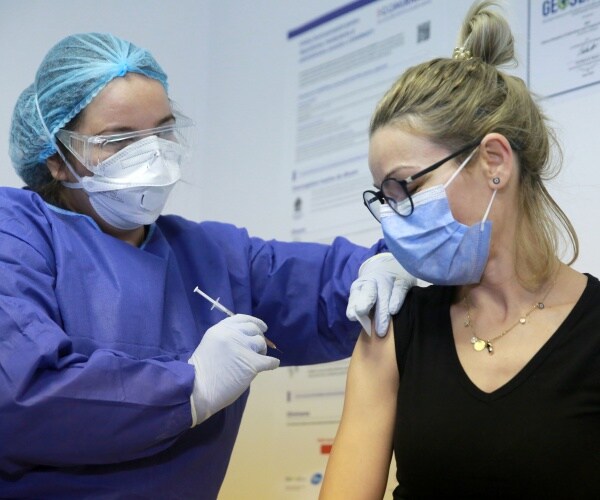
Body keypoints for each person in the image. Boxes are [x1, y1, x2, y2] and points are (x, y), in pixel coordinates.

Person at [0, 33, 417, 498]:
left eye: (162, 130)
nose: (152, 153)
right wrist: (190, 390)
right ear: (57, 159)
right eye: (119, 139)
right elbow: (21, 392)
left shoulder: (210, 254)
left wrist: (384, 263)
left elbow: (325, 287)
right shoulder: (16, 232)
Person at [319, 1, 600, 498]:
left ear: (494, 161)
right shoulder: (393, 328)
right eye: (384, 196)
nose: (393, 215)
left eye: (407, 186)